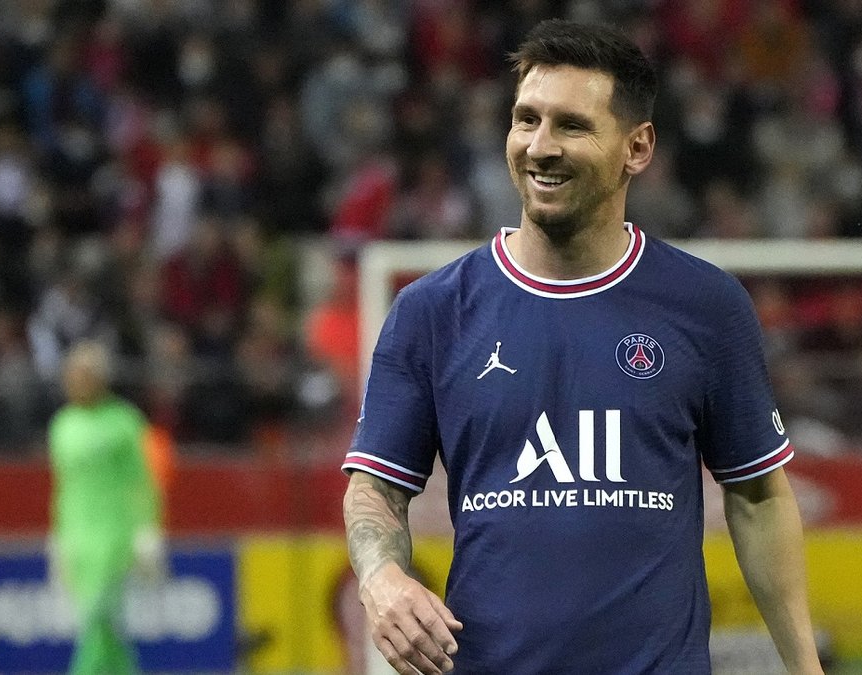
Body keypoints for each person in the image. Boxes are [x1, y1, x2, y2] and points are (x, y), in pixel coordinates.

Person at [341, 19, 822, 674]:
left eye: (571, 126)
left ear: (637, 147)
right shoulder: (432, 312)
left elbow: (758, 495)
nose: (540, 147)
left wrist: (805, 667)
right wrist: (381, 578)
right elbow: (375, 487)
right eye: (527, 120)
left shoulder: (706, 306)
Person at [48, 341, 165, 675]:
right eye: (71, 375)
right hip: (77, 537)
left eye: (82, 374)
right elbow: (62, 487)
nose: (74, 381)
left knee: (97, 615)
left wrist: (148, 530)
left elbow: (144, 481)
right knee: (107, 627)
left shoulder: (124, 422)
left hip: (115, 535)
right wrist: (58, 538)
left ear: (100, 379)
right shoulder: (62, 425)